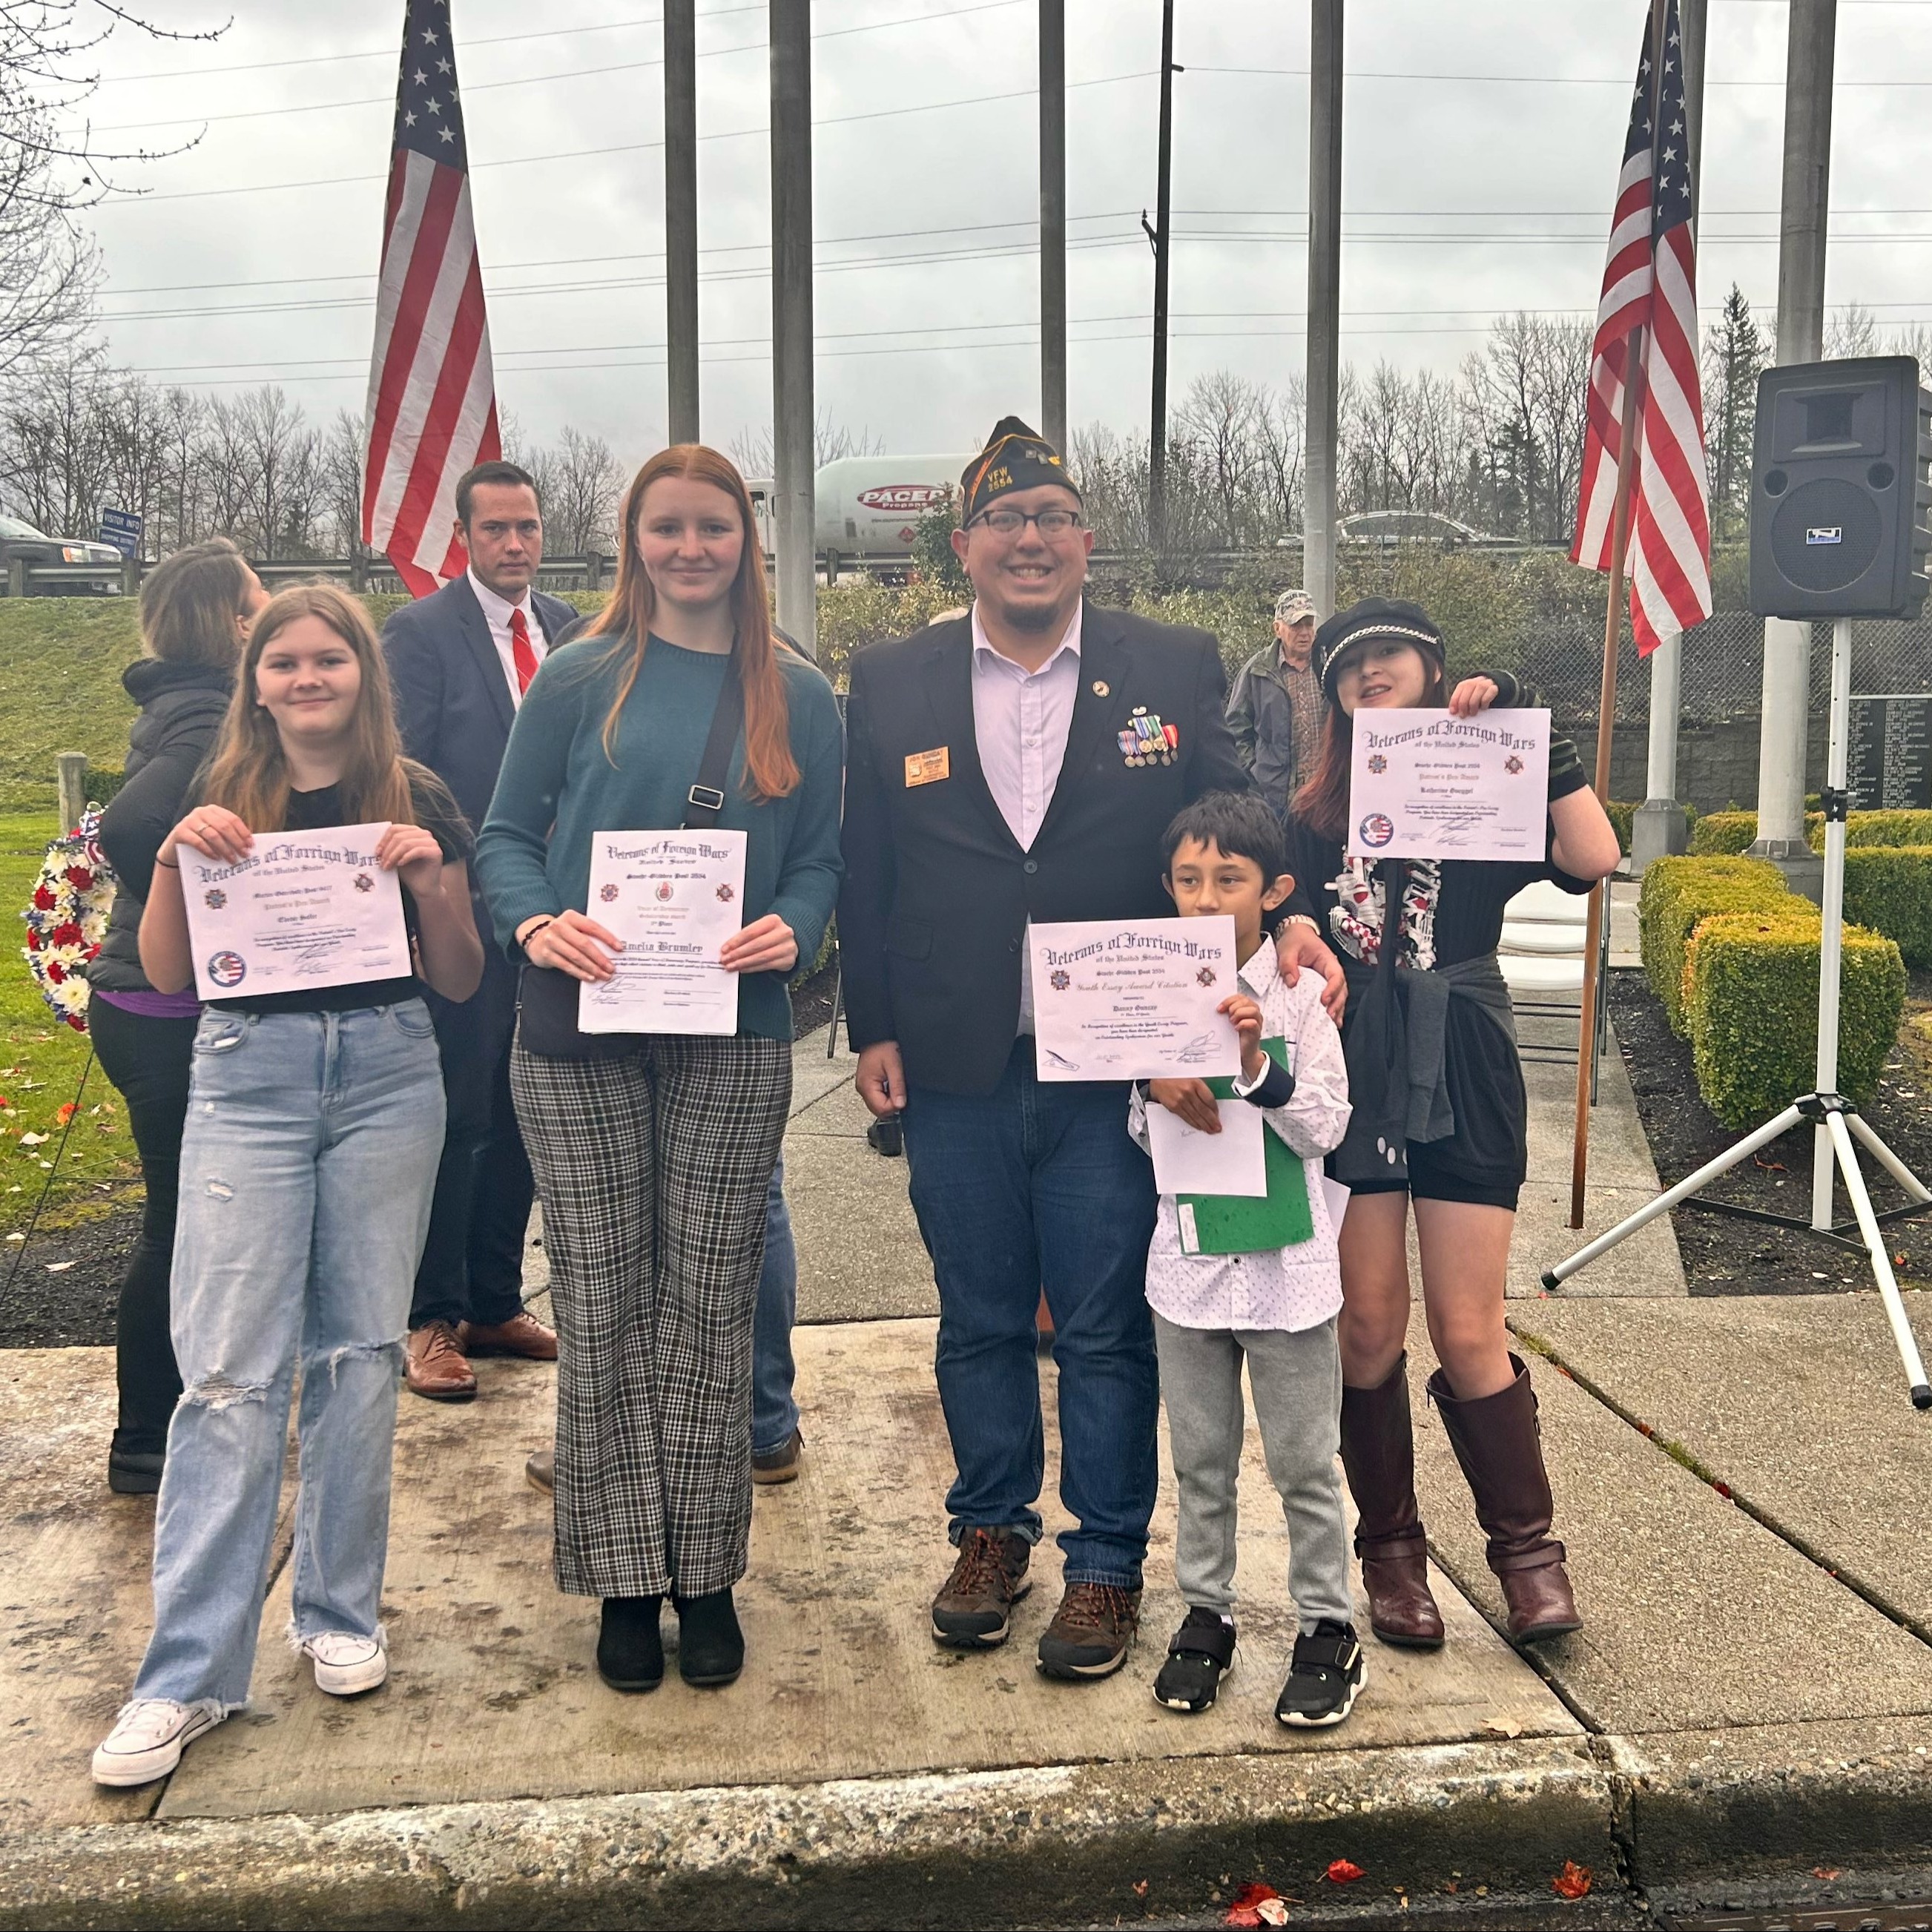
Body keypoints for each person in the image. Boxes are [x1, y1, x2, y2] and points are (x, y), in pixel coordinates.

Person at [838, 416, 1345, 1681]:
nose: (1029, 541)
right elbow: (868, 863)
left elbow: (1241, 813)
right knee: (980, 1313)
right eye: (1004, 522)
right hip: (953, 1056)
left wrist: (1294, 921)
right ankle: (991, 1532)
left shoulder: (1164, 664)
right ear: (963, 546)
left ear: (1086, 540)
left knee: (1111, 1321)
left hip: (1126, 1066)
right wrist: (874, 1026)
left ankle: (1108, 1566)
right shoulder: (893, 677)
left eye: (1051, 517)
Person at [91, 584, 484, 1787]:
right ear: (254, 679)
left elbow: (462, 980)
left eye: (331, 661)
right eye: (285, 663)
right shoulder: (211, 797)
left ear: (365, 675)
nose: (308, 679)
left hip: (385, 1076)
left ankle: (339, 1614)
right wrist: (168, 863)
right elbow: (165, 969)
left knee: (360, 1354)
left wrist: (430, 886)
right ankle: (186, 1675)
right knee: (227, 1375)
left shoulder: (413, 799)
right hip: (246, 1082)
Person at [475, 444, 843, 1695]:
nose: (691, 549)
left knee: (710, 1302)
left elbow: (823, 860)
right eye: (666, 528)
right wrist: (535, 922)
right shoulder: (577, 679)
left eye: (714, 527)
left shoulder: (798, 691)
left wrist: (799, 923)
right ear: (632, 540)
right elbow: (503, 842)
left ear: (748, 541)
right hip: (580, 1033)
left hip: (731, 1028)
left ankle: (709, 1570)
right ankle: (625, 1576)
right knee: (606, 1301)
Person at [1283, 597, 1620, 1649]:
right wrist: (1290, 917)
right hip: (1354, 1060)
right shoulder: (1315, 804)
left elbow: (1595, 855)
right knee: (1368, 1323)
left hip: (1464, 1043)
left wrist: (1540, 742)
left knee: (1470, 1325)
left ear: (1432, 665)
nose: (1367, 675)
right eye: (1347, 667)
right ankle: (1390, 1553)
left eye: (1387, 657)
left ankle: (1528, 1555)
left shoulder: (1491, 767)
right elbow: (1260, 890)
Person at [1131, 791, 1362, 1727]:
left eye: (1226, 880)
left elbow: (1325, 1128)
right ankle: (1205, 1611)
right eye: (1186, 880)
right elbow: (1143, 1140)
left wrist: (1258, 1067)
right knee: (1201, 1457)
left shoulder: (1303, 997)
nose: (1203, 899)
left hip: (1288, 1274)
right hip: (1186, 1270)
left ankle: (1325, 1623)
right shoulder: (1153, 993)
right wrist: (1153, 1089)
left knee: (1305, 1460)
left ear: (1274, 891)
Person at [383, 460, 568, 1402]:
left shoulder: (573, 631)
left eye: (528, 527)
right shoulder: (419, 634)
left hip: (558, 916)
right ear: (463, 537)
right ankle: (433, 1317)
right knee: (459, 1115)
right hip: (464, 910)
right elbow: (402, 774)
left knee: (530, 1110)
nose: (514, 544)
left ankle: (496, 1298)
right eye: (495, 529)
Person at [88, 539, 269, 1495]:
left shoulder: (177, 702)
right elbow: (127, 827)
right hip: (165, 1001)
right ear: (232, 624)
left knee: (186, 1217)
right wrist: (195, 909)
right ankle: (147, 1436)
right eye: (257, 602)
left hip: (143, 1000)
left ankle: (155, 1429)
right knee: (180, 1223)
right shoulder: (208, 711)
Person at [1227, 587, 1322, 819]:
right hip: (1274, 796)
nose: (1304, 632)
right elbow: (1234, 728)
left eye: (1309, 624)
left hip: (1324, 793)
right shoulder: (1257, 671)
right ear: (1277, 629)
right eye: (1296, 625)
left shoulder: (1327, 665)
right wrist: (1254, 771)